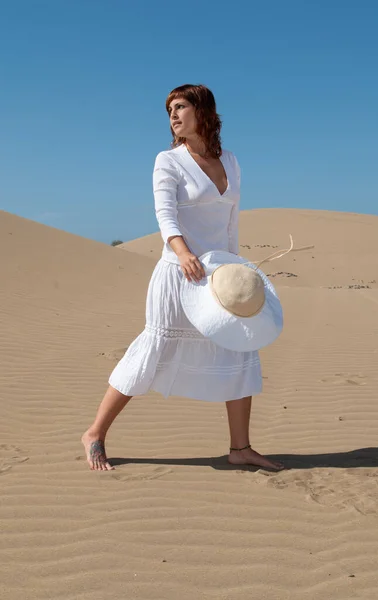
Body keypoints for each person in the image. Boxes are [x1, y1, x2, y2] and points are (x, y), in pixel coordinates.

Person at [82, 84, 285, 473]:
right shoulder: (168, 161)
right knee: (153, 349)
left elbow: (230, 222)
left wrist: (235, 266)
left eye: (180, 107)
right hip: (179, 273)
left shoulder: (232, 161)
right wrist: (183, 252)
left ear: (203, 111)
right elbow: (166, 215)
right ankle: (95, 432)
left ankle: (240, 448)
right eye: (169, 110)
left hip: (219, 277)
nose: (173, 116)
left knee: (240, 348)